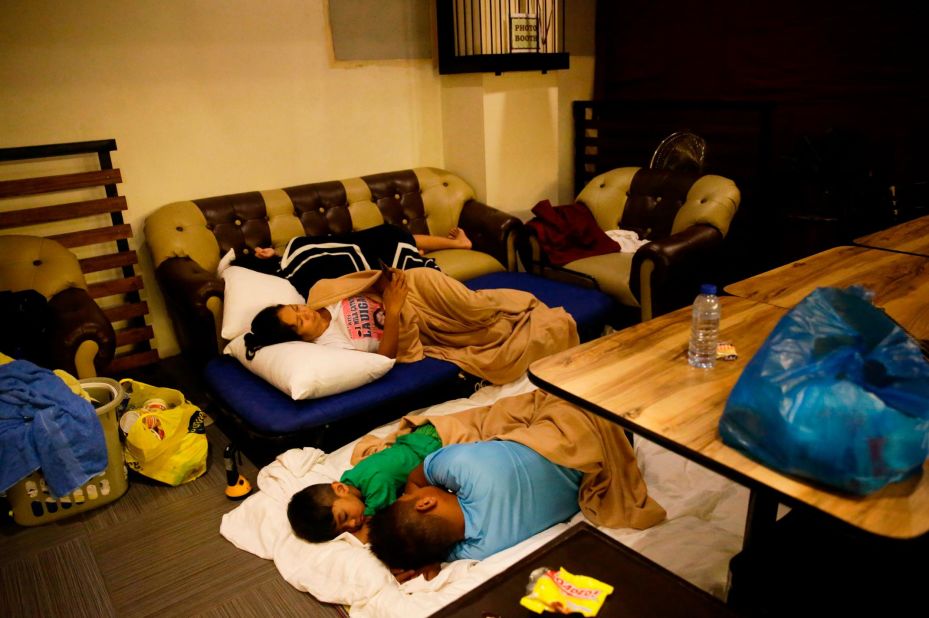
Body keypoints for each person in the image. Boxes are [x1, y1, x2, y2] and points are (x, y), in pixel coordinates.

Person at [244, 265, 579, 384]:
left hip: (417, 288)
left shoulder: (319, 295)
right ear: (298, 338)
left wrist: (385, 283)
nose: (304, 312)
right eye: (298, 321)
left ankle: (509, 305)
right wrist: (393, 311)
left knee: (474, 304)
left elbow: (361, 281)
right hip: (411, 319)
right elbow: (385, 357)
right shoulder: (333, 348)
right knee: (496, 334)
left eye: (295, 307)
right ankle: (516, 318)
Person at [368, 440, 584, 582]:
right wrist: (413, 490)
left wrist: (419, 562)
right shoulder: (461, 466)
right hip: (570, 443)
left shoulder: (479, 549)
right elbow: (416, 477)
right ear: (425, 503)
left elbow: (434, 553)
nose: (406, 492)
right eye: (405, 496)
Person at [287, 423, 442, 544]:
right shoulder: (349, 481)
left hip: (429, 441)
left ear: (340, 488)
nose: (353, 524)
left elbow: (382, 519)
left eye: (345, 516)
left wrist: (365, 530)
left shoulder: (376, 482)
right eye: (344, 529)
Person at [252, 226, 472, 260]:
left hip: (342, 244)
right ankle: (460, 245)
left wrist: (275, 252)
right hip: (344, 250)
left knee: (391, 234)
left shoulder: (286, 253)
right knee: (391, 235)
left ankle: (412, 251)